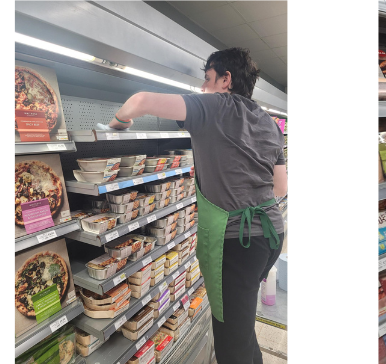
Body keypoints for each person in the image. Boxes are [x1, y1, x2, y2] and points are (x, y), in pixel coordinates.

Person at [108, 47, 287, 364]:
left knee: (234, 344)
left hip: (237, 243)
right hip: (271, 235)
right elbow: (281, 186)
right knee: (241, 326)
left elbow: (139, 101)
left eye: (207, 79)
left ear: (225, 79)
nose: (203, 87)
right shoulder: (269, 122)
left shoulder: (213, 104)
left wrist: (118, 123)